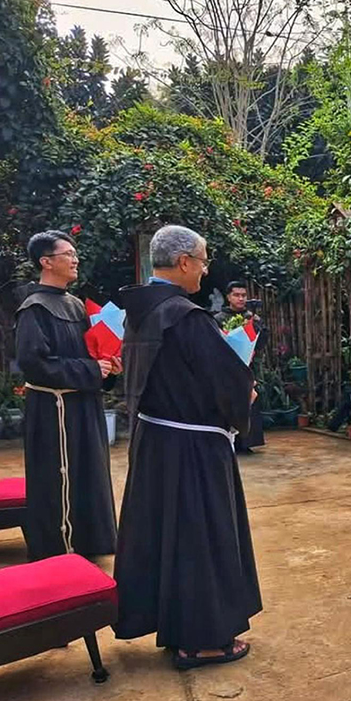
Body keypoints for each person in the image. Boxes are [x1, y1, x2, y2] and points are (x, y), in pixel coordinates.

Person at [114, 225, 261, 670]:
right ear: (183, 262)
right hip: (191, 447)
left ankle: (175, 625)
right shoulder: (186, 317)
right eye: (202, 260)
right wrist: (246, 393)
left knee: (168, 536)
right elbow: (226, 380)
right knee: (199, 537)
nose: (205, 269)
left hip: (155, 440)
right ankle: (202, 640)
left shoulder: (139, 311)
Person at [15, 230, 119, 560]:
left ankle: (91, 542)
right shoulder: (33, 309)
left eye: (75, 254)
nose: (75, 260)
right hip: (54, 408)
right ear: (46, 262)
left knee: (90, 473)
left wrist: (108, 365)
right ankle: (59, 550)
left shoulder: (76, 305)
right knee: (59, 478)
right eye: (68, 254)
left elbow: (89, 353)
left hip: (84, 404)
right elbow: (34, 364)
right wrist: (91, 370)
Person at [214, 280, 266, 453]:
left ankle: (247, 442)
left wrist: (258, 326)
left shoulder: (252, 318)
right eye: (236, 295)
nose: (241, 299)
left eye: (243, 295)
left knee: (249, 400)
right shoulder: (218, 319)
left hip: (248, 366)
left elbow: (260, 344)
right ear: (228, 297)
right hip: (226, 369)